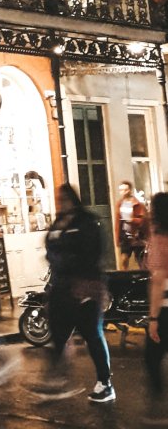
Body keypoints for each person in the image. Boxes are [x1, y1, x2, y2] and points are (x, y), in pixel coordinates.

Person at [37, 183, 115, 404]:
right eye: (58, 198)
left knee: (92, 333)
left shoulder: (86, 222)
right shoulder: (59, 222)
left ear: (73, 198)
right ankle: (56, 378)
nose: (60, 201)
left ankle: (105, 383)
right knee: (58, 334)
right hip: (62, 286)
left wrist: (87, 282)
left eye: (63, 197)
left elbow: (92, 253)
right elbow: (52, 252)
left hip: (84, 285)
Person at [144, 191, 168, 424]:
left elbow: (159, 279)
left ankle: (158, 409)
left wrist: (153, 318)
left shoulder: (160, 237)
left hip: (166, 306)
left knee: (152, 357)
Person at [116, 179, 148, 270]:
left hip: (137, 236)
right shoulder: (119, 204)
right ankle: (124, 279)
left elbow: (143, 220)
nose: (123, 192)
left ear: (129, 190)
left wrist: (132, 220)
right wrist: (117, 238)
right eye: (121, 190)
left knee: (141, 260)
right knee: (124, 259)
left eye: (125, 190)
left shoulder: (137, 204)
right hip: (125, 236)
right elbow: (117, 222)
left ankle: (144, 278)